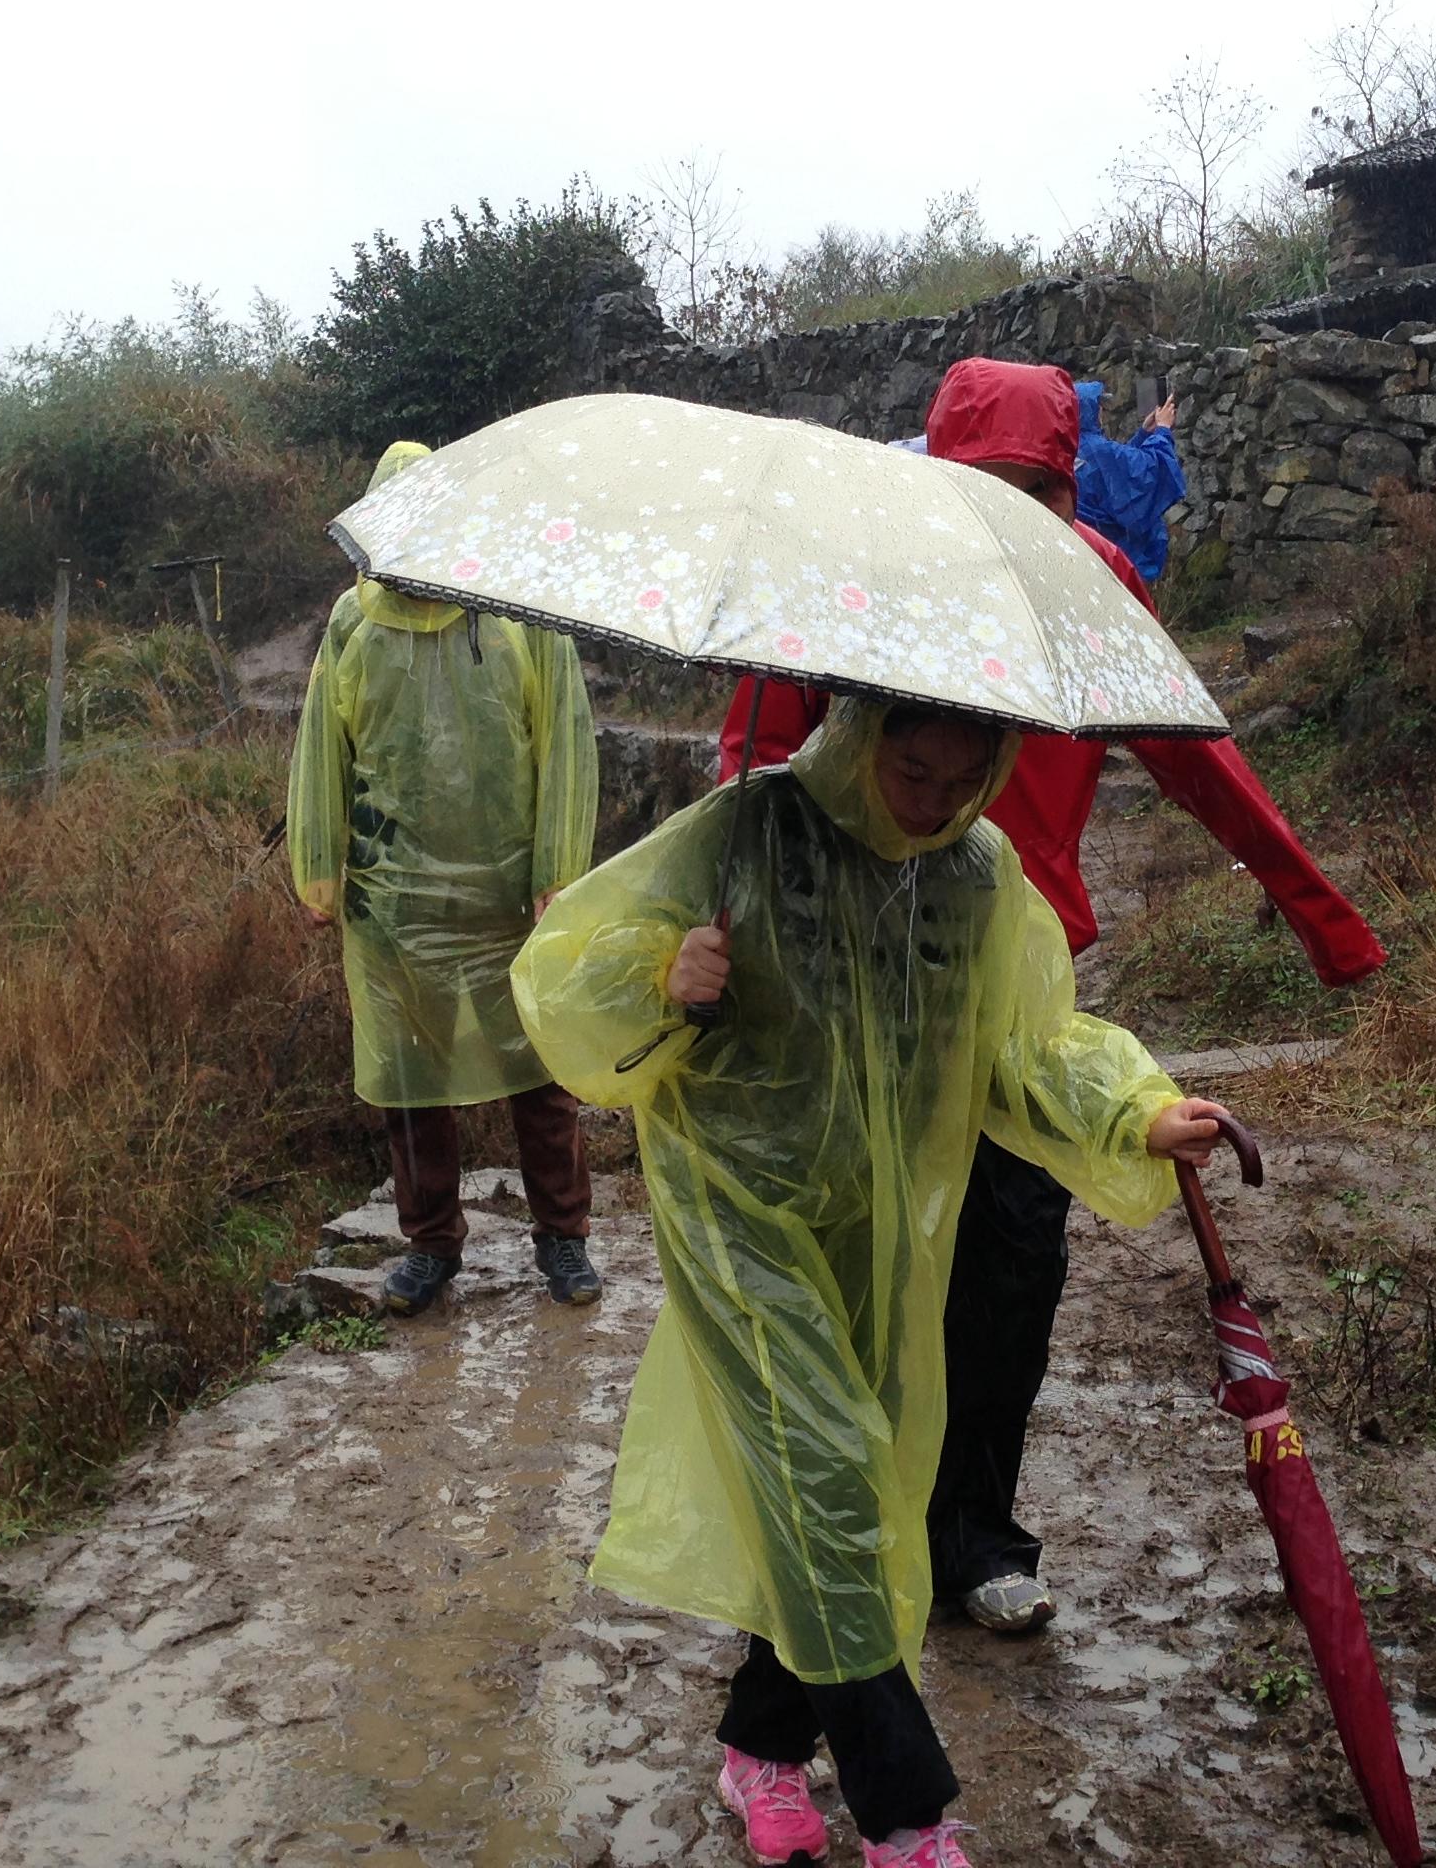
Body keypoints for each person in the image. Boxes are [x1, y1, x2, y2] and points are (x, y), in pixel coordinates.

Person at [513, 696, 1236, 1868]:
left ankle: (762, 1744)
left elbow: (1028, 1045)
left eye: (965, 778)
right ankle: (906, 1814)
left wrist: (1139, 1109)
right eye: (911, 770)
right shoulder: (744, 833)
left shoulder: (979, 871)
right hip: (738, 1211)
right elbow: (563, 979)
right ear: (861, 742)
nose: (935, 801)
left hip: (889, 1231)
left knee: (837, 1489)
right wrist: (666, 975)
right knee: (832, 1477)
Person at [721, 358, 1382, 1635]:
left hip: (1023, 1001)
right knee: (859, 1270)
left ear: (1067, 490)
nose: (1007, 514)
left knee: (1008, 1274)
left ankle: (973, 1540)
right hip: (859, 979)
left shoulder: (1096, 583)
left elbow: (1197, 754)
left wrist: (1323, 919)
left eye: (1035, 490)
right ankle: (844, 1541)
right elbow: (755, 759)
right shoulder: (860, 581)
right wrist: (733, 926)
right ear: (937, 473)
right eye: (985, 487)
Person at [288, 439, 605, 1315]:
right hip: (395, 902)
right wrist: (319, 870)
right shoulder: (355, 625)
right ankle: (431, 1245)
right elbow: (323, 747)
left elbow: (566, 744)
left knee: (538, 1073)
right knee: (411, 1084)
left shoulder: (519, 612)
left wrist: (558, 873)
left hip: (508, 901)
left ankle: (564, 1239)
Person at [1070, 377, 1186, 582]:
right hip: (1112, 559)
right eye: (1099, 406)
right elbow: (1148, 471)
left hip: (1082, 550)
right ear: (1090, 411)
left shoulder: (1070, 446)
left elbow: (1115, 473)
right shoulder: (1099, 450)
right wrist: (1163, 430)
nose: (1102, 412)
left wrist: (1143, 434)